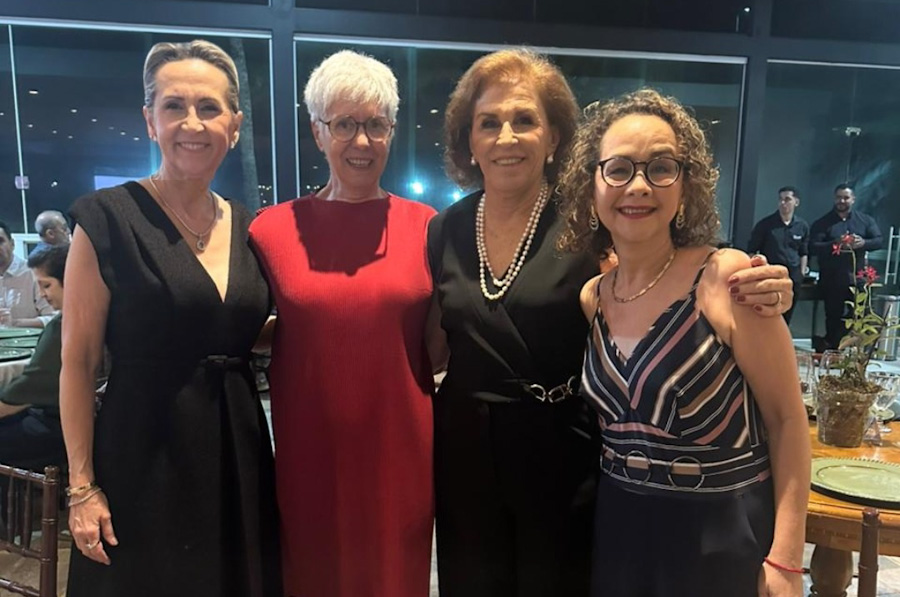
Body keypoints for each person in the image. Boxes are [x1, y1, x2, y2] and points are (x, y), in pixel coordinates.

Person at [428, 49, 796, 597]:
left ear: (555, 137)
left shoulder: (589, 220)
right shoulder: (445, 229)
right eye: (489, 122)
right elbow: (433, 341)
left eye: (525, 119)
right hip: (466, 455)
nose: (507, 136)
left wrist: (764, 285)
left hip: (561, 455)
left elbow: (663, 270)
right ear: (469, 140)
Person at [557, 88, 810, 597]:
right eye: (618, 169)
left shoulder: (727, 279)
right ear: (591, 187)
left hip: (721, 540)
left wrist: (786, 558)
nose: (638, 186)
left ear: (685, 185)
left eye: (660, 168)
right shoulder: (594, 297)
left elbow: (787, 420)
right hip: (621, 532)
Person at [60, 40, 280, 597]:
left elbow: (237, 331)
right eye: (174, 106)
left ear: (234, 125)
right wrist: (82, 487)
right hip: (142, 453)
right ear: (149, 121)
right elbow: (78, 362)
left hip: (236, 449)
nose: (192, 123)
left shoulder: (252, 228)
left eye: (209, 108)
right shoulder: (107, 218)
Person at [249, 50, 435, 597]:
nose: (362, 141)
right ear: (317, 131)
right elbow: (245, 324)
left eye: (376, 124)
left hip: (400, 453)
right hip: (310, 452)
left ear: (392, 132)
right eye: (345, 124)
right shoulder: (270, 230)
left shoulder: (428, 227)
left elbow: (443, 336)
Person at [0, 245, 69, 473]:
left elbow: (29, 389)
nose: (42, 294)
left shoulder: (63, 326)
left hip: (58, 426)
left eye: (46, 285)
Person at [810, 183, 882, 351]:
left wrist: (863, 243)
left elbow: (878, 240)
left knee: (859, 314)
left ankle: (851, 347)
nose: (841, 201)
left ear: (853, 199)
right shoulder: (823, 223)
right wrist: (836, 243)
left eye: (846, 198)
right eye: (838, 197)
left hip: (857, 278)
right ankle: (833, 349)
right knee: (833, 316)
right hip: (832, 279)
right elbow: (813, 247)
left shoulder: (865, 220)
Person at [747, 186, 809, 323]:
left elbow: (804, 252)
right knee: (770, 314)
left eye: (787, 199)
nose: (783, 203)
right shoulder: (766, 225)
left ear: (796, 202)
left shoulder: (802, 226)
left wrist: (802, 272)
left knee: (787, 314)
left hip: (793, 277)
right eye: (780, 199)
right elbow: (752, 250)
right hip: (771, 276)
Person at [0, 221, 54, 328]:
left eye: (0, 241)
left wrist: (15, 323)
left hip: (31, 338)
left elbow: (53, 319)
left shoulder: (34, 273)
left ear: (12, 244)